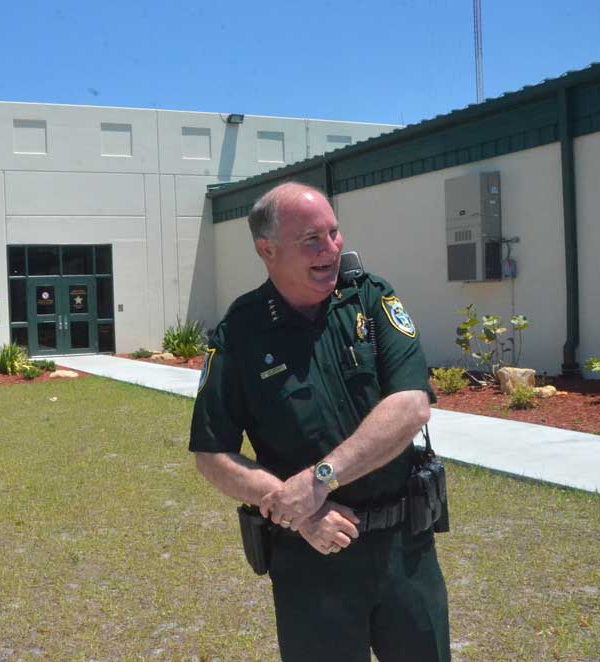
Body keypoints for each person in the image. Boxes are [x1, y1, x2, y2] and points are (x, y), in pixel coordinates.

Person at [189, 182, 450, 661]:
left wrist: (319, 479)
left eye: (333, 233)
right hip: (309, 560)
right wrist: (303, 509)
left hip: (404, 551)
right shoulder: (240, 332)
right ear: (267, 250)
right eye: (311, 239)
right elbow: (211, 453)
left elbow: (411, 405)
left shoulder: (369, 300)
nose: (331, 249)